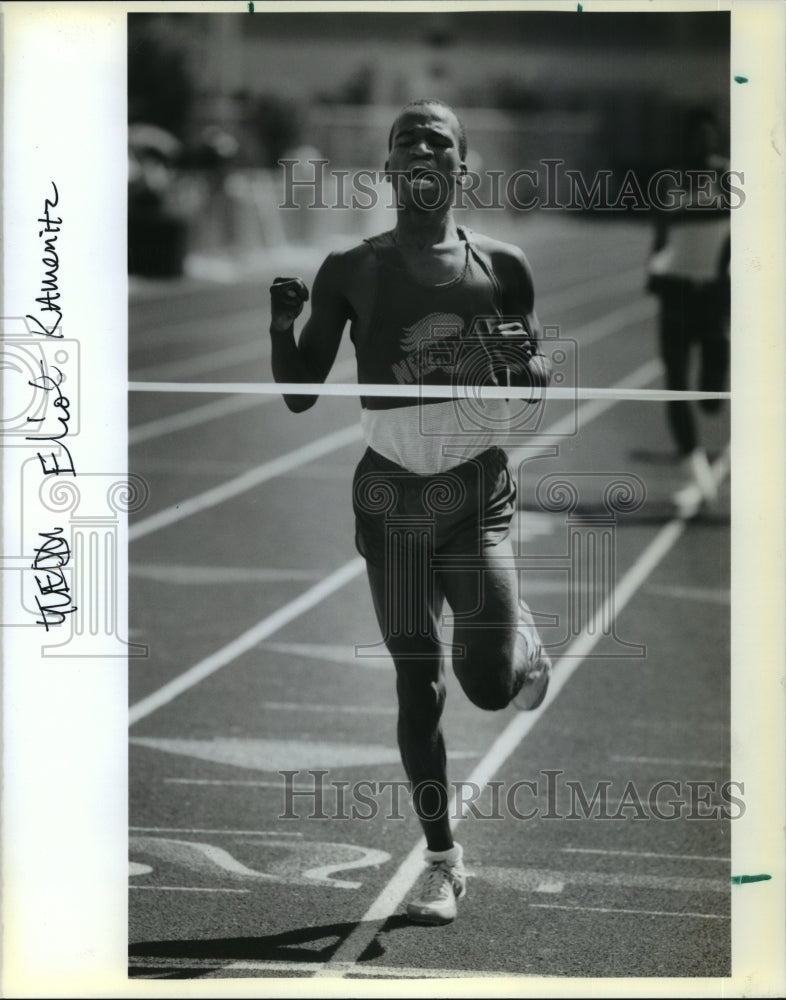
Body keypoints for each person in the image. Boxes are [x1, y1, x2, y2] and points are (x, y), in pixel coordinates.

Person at [268, 99, 552, 925]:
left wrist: (506, 363)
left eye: (438, 140)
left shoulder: (504, 264)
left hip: (472, 491)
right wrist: (283, 325)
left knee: (488, 687)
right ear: (389, 169)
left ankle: (519, 646)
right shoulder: (350, 269)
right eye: (405, 141)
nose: (420, 148)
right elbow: (295, 392)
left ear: (462, 168)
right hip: (389, 496)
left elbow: (534, 388)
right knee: (417, 684)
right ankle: (441, 860)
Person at [647, 107, 731, 514]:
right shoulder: (672, 181)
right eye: (695, 135)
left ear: (714, 138)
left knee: (712, 397)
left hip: (713, 297)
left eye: (707, 135)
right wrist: (656, 271)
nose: (702, 143)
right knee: (677, 384)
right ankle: (696, 470)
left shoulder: (727, 176)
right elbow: (661, 233)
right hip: (677, 294)